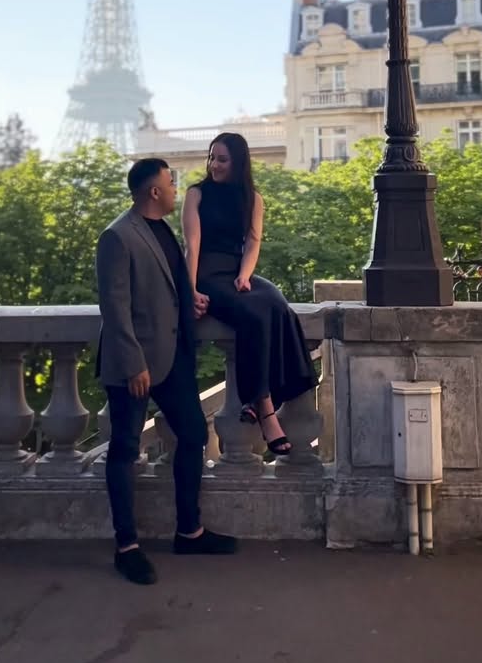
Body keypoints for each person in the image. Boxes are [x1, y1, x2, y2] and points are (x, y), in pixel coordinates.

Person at [96, 157, 237, 585]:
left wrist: (188, 301)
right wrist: (133, 362)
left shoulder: (161, 229)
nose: (177, 188)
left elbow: (164, 285)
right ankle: (127, 547)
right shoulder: (117, 236)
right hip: (136, 364)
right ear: (153, 191)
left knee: (193, 434)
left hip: (173, 357)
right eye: (170, 183)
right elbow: (114, 308)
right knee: (123, 451)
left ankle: (189, 532)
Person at [181, 133, 317, 456]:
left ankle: (259, 400)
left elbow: (253, 242)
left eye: (222, 159)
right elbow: (192, 246)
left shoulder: (253, 198)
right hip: (207, 274)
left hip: (237, 271)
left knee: (278, 306)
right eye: (211, 157)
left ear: (238, 162)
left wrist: (244, 275)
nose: (214, 164)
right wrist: (190, 291)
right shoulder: (195, 195)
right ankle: (264, 408)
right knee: (253, 317)